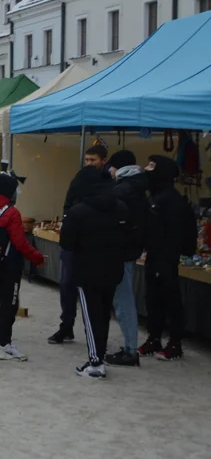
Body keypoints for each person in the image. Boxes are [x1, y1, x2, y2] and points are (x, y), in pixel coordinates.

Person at [59, 174, 127, 378]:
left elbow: (66, 243)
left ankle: (96, 362)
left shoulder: (78, 212)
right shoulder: (121, 208)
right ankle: (100, 353)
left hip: (87, 271)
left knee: (90, 316)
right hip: (113, 269)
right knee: (104, 314)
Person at [0, 174, 44, 361]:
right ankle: (5, 344)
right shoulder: (11, 212)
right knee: (9, 304)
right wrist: (37, 257)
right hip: (9, 266)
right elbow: (20, 242)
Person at [49, 145, 112, 345]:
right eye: (87, 160)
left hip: (95, 248)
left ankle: (95, 335)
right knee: (67, 286)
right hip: (74, 244)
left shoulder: (108, 183)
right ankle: (66, 326)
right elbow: (68, 204)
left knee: (94, 294)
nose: (89, 164)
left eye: (93, 160)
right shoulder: (79, 179)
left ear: (104, 160)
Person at [138, 155, 194, 361]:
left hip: (166, 256)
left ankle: (175, 343)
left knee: (169, 299)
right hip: (154, 255)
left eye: (151, 166)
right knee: (152, 298)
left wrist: (167, 254)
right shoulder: (154, 196)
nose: (146, 169)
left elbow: (179, 232)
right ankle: (154, 338)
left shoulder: (171, 200)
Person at [104, 151, 147, 367]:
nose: (109, 171)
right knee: (123, 299)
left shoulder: (123, 190)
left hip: (121, 251)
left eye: (110, 166)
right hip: (130, 250)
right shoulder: (137, 187)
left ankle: (131, 351)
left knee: (123, 301)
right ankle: (130, 347)